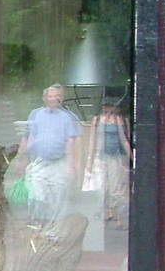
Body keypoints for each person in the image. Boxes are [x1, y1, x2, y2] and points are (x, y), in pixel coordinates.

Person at [19, 84, 82, 225]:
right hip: (40, 161)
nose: (54, 99)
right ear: (45, 98)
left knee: (57, 197)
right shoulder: (35, 114)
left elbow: (72, 142)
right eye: (51, 96)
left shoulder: (69, 116)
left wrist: (72, 166)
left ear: (62, 98)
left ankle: (54, 228)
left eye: (57, 96)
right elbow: (30, 137)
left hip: (60, 162)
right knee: (36, 194)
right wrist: (22, 159)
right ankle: (37, 224)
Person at [94, 98, 133, 226]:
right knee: (102, 186)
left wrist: (131, 157)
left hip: (115, 156)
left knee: (115, 187)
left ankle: (119, 216)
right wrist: (92, 159)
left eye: (110, 106)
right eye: (106, 106)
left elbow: (124, 139)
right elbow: (96, 139)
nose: (108, 109)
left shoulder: (120, 120)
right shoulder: (98, 119)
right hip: (101, 156)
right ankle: (107, 212)